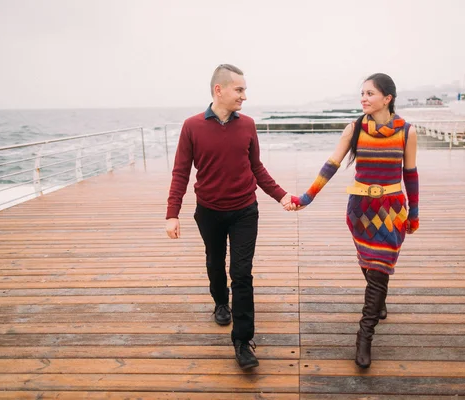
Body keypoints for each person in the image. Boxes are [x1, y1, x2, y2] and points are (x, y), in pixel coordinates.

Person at [165, 64, 293, 370]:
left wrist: (282, 195)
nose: (245, 96)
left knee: (242, 273)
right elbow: (181, 172)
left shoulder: (247, 125)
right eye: (240, 90)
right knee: (214, 260)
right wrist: (172, 213)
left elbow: (257, 167)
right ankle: (221, 302)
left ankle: (242, 340)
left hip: (244, 211)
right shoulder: (192, 126)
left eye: (245, 90)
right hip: (208, 211)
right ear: (218, 90)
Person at [287, 73, 419, 368]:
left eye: (370, 93)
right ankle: (379, 298)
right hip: (361, 209)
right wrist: (307, 197)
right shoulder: (355, 128)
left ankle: (364, 335)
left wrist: (414, 211)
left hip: (393, 210)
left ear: (388, 98)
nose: (364, 98)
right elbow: (331, 164)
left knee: (380, 265)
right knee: (369, 264)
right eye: (362, 93)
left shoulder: (407, 131)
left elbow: (410, 173)